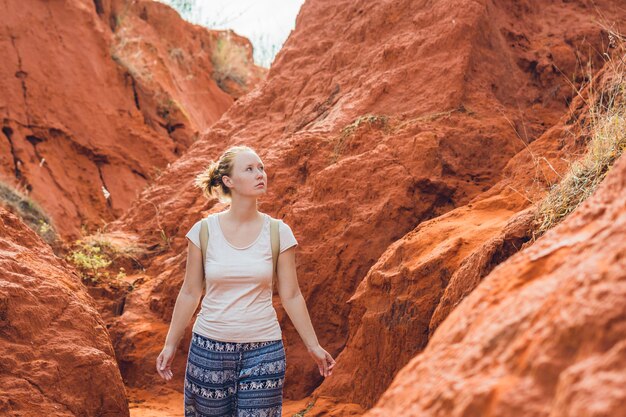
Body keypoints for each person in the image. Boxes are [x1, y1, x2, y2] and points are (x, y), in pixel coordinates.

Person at [156, 145, 336, 417]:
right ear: (228, 181)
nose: (259, 174)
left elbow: (291, 295)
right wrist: (170, 344)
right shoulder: (204, 231)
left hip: (264, 350)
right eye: (249, 169)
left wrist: (313, 346)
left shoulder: (278, 232)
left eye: (261, 167)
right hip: (209, 349)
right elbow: (190, 293)